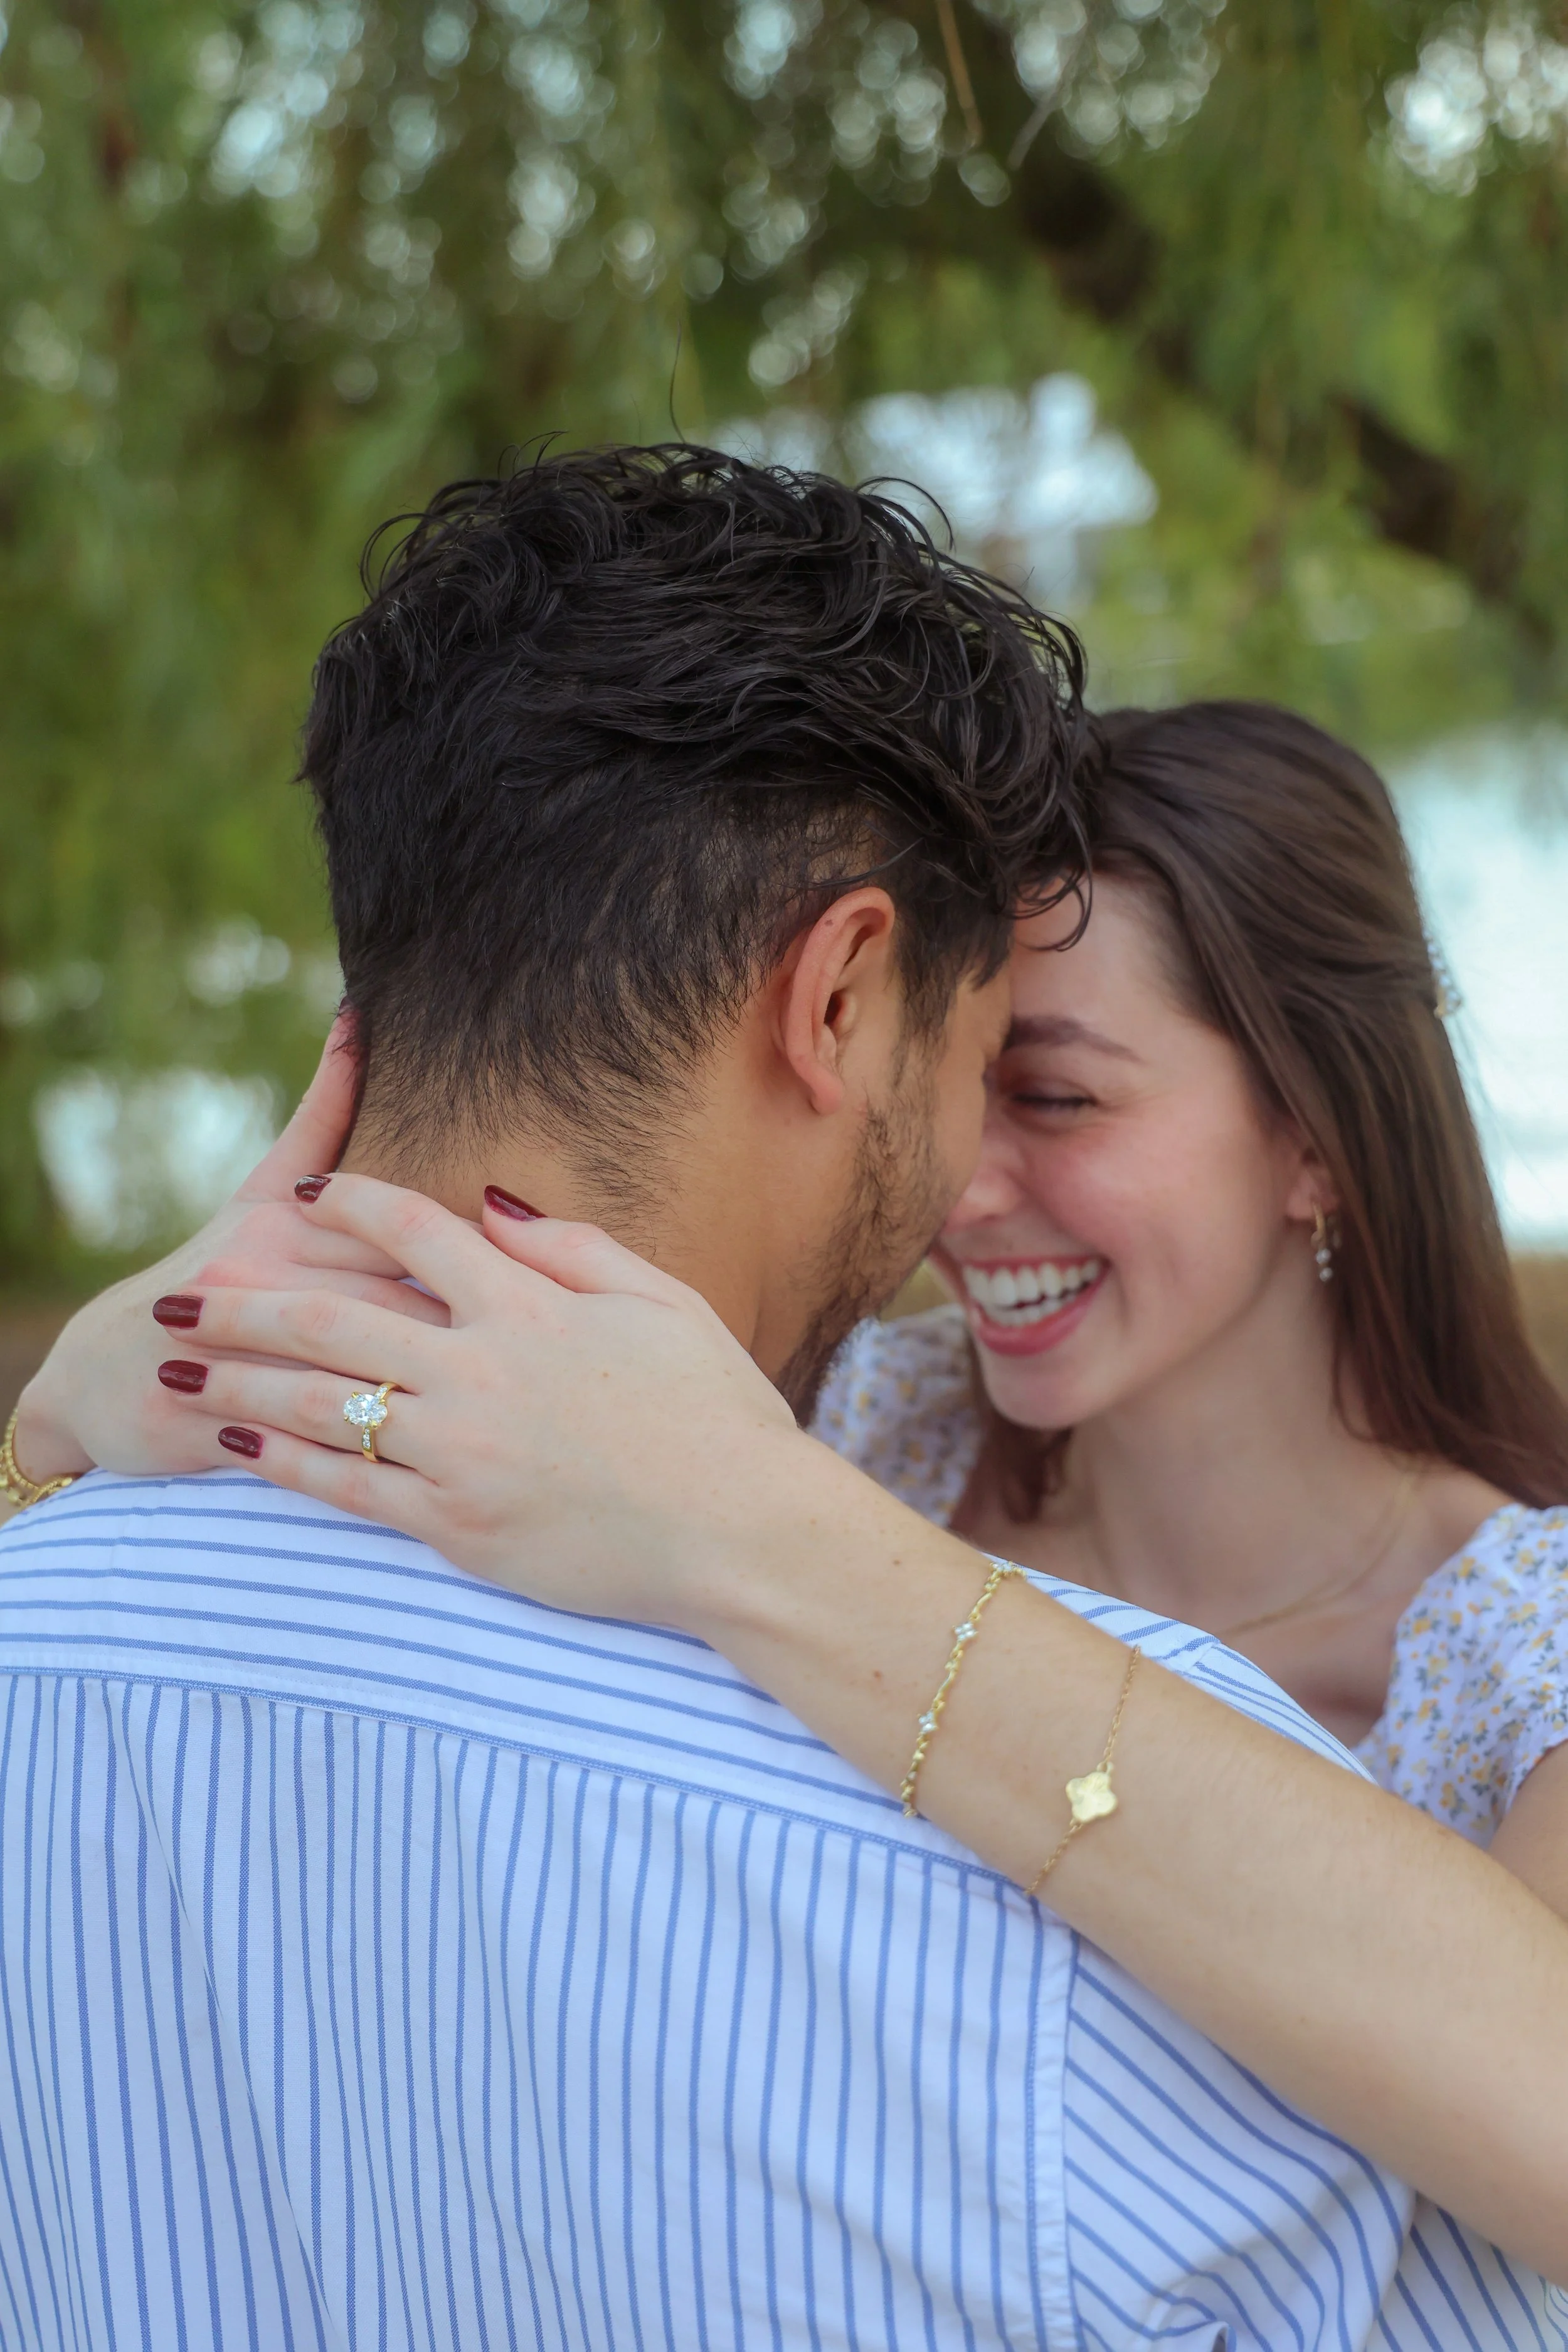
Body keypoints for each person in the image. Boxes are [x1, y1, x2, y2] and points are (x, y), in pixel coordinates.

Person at [6, 455, 1567, 2341]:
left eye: (1057, 1094)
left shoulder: (723, 1472)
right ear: (836, 999)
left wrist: (751, 1521)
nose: (963, 1191)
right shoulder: (835, 1471)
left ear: (1318, 1135)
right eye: (977, 1071)